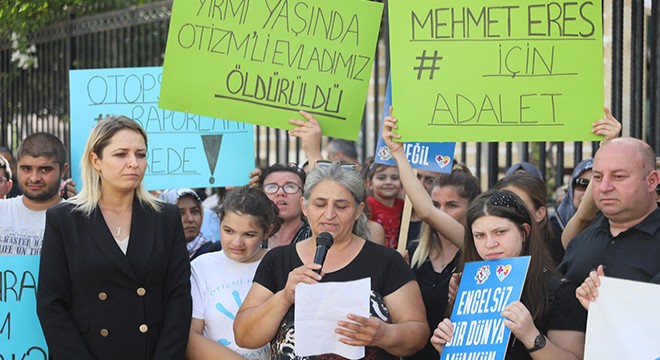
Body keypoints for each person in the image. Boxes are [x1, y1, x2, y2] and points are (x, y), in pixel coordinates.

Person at [233, 161, 429, 359]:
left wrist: (384, 334)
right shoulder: (278, 259)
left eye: (341, 206)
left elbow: (418, 333)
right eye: (320, 204)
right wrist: (284, 297)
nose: (329, 215)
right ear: (305, 206)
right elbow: (244, 336)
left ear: (358, 211)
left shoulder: (386, 261)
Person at [36, 116, 191, 359]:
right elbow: (51, 304)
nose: (134, 163)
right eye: (121, 154)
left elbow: (179, 298)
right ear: (96, 160)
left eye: (141, 154)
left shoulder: (165, 217)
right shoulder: (64, 219)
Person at [431, 190, 587, 360]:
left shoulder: (557, 291)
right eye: (480, 235)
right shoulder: (468, 286)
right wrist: (448, 351)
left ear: (523, 232)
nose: (490, 244)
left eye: (500, 232)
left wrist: (531, 336)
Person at [383, 112, 480, 359]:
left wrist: (398, 154)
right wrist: (398, 282)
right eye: (436, 204)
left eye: (452, 205)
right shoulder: (415, 253)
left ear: (472, 207)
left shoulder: (475, 248)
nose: (441, 213)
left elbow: (424, 211)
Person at [186, 186, 282, 360]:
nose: (237, 242)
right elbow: (191, 337)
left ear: (267, 231)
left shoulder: (280, 264)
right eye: (228, 231)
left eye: (249, 234)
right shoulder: (201, 267)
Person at [559, 137, 660, 289]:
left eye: (618, 177)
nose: (605, 187)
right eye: (598, 177)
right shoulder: (580, 242)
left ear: (652, 181)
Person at [0, 133, 70, 255]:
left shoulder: (78, 221)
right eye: (26, 168)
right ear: (16, 168)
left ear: (63, 170)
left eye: (45, 169)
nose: (34, 178)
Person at [494, 172, 560, 265]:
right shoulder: (485, 248)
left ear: (540, 213)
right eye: (501, 205)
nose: (507, 212)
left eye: (518, 205)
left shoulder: (556, 251)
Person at [258, 163, 312, 248]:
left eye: (290, 187)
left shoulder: (314, 237)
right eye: (272, 187)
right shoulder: (253, 237)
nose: (280, 193)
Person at [160, 188, 221, 260]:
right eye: (180, 213)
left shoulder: (214, 254)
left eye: (195, 211)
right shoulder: (157, 257)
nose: (190, 219)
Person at [363, 157, 404, 249]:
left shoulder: (403, 206)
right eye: (381, 178)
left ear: (402, 184)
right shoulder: (368, 204)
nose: (388, 182)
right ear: (369, 184)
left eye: (394, 178)